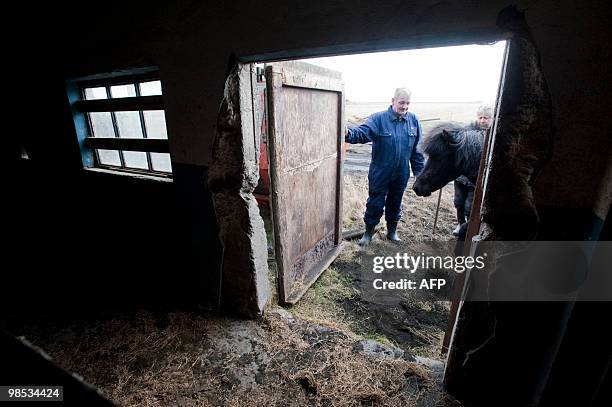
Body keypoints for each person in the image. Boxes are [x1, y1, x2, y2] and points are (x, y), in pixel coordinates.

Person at [345, 88, 425, 246]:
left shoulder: (414, 121)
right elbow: (363, 133)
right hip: (380, 171)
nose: (405, 107)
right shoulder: (378, 119)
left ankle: (392, 232)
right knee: (375, 202)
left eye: (408, 103)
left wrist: (419, 173)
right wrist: (348, 133)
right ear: (393, 100)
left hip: (401, 172)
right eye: (402, 102)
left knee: (396, 202)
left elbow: (417, 150)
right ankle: (368, 234)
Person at [453, 105, 493, 236]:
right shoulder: (469, 131)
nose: (482, 120)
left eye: (485, 118)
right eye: (480, 117)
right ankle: (460, 224)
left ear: (492, 119)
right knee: (458, 202)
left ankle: (468, 227)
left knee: (469, 207)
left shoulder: (492, 136)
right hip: (461, 177)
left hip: (475, 179)